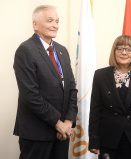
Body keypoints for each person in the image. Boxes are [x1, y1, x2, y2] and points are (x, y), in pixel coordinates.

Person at [13, 5, 78, 159]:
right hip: (37, 133)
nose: (55, 25)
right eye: (50, 20)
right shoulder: (25, 50)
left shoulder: (62, 50)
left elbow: (71, 89)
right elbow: (30, 96)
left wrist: (68, 121)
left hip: (62, 133)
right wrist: (59, 124)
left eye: (57, 21)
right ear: (35, 24)